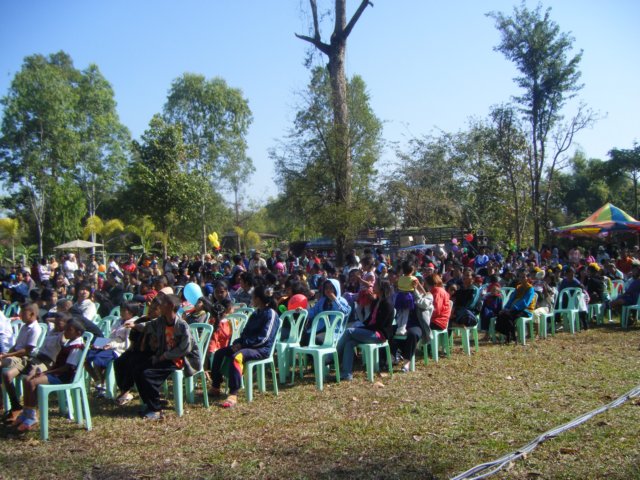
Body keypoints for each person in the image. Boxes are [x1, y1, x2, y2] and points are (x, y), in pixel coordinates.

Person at [124, 294, 199, 420]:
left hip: (178, 360)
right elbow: (148, 326)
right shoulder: (161, 321)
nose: (160, 306)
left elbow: (185, 348)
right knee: (137, 369)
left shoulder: (181, 325)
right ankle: (151, 403)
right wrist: (135, 325)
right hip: (164, 357)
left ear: (171, 306)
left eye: (163, 303)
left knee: (148, 374)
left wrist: (165, 356)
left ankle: (156, 410)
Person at [209, 286, 280, 408]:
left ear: (258, 299)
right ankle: (216, 386)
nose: (252, 299)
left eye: (253, 297)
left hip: (261, 349)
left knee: (237, 357)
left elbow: (264, 338)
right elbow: (245, 333)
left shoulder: (271, 314)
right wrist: (238, 343)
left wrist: (243, 345)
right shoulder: (255, 313)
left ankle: (233, 393)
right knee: (219, 353)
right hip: (247, 346)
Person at [13, 318, 86, 431]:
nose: (65, 331)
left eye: (69, 330)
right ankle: (26, 412)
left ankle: (32, 416)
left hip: (64, 377)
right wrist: (46, 372)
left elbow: (66, 368)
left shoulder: (77, 347)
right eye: (66, 329)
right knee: (27, 379)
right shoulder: (70, 342)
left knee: (32, 382)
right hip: (57, 373)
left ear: (78, 333)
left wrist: (47, 372)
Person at [336, 278, 394, 380]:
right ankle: (346, 374)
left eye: (375, 284)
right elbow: (370, 319)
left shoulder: (387, 304)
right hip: (371, 332)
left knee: (349, 331)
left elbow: (379, 325)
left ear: (381, 288)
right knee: (349, 343)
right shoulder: (377, 301)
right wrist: (362, 326)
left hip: (379, 335)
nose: (373, 286)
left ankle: (333, 357)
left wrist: (363, 328)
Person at [0, 303, 42, 423]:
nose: (20, 315)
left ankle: (10, 404)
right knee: (6, 375)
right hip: (16, 356)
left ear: (32, 314)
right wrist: (7, 353)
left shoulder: (35, 328)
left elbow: (26, 350)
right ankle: (14, 405)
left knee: (5, 371)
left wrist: (6, 356)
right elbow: (16, 345)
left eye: (23, 313)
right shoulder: (24, 326)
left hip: (25, 358)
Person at [85, 302, 137, 398]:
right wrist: (99, 344)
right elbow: (111, 337)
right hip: (110, 344)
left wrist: (111, 345)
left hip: (119, 349)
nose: (121, 312)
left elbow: (127, 344)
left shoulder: (132, 324)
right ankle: (98, 382)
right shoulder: (119, 321)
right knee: (86, 356)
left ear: (131, 312)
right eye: (120, 310)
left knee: (98, 359)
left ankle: (103, 383)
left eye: (123, 311)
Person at [301, 279, 351, 346]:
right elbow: (313, 311)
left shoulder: (342, 301)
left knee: (317, 339)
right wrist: (303, 311)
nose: (328, 290)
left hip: (334, 331)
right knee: (304, 337)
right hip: (320, 328)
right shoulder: (322, 300)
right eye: (326, 288)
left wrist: (334, 300)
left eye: (331, 288)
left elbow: (345, 312)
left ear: (336, 289)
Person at [496, 270, 536, 342]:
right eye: (520, 277)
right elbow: (511, 299)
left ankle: (510, 336)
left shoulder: (530, 289)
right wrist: (506, 307)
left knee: (507, 315)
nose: (522, 279)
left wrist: (514, 308)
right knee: (502, 313)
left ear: (527, 278)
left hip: (526, 310)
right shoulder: (518, 288)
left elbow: (525, 302)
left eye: (523, 277)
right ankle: (509, 335)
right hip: (514, 309)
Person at [395, 260, 418, 336]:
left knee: (400, 313)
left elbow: (398, 285)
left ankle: (399, 327)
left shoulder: (400, 278)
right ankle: (402, 329)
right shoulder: (414, 278)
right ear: (412, 270)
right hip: (407, 296)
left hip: (400, 296)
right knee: (405, 313)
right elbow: (416, 286)